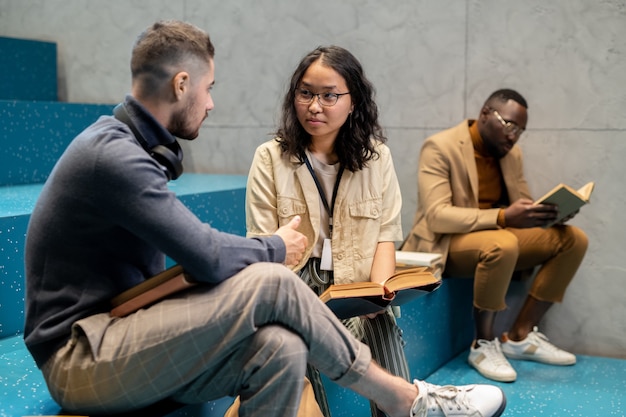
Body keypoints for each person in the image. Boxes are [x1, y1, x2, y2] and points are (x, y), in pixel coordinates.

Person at [23, 20, 506, 417]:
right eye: (209, 88)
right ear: (181, 84)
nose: (211, 103)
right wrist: (276, 247)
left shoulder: (130, 151)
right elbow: (209, 256)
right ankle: (407, 400)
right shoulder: (111, 157)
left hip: (125, 326)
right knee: (272, 283)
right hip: (81, 357)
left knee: (281, 349)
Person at [245, 45, 408, 417]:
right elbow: (262, 243)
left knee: (381, 322)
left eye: (329, 95)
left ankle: (400, 409)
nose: (315, 106)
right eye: (306, 93)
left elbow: (385, 234)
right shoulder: (270, 157)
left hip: (354, 283)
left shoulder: (377, 157)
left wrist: (378, 295)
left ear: (353, 102)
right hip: (295, 282)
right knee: (292, 336)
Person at [401, 88, 588, 383]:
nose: (514, 136)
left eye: (520, 130)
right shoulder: (440, 146)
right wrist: (502, 217)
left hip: (498, 237)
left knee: (573, 239)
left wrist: (550, 215)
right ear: (485, 113)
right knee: (502, 242)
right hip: (447, 243)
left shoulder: (510, 154)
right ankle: (483, 343)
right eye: (510, 125)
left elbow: (520, 205)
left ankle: (520, 336)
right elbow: (437, 215)